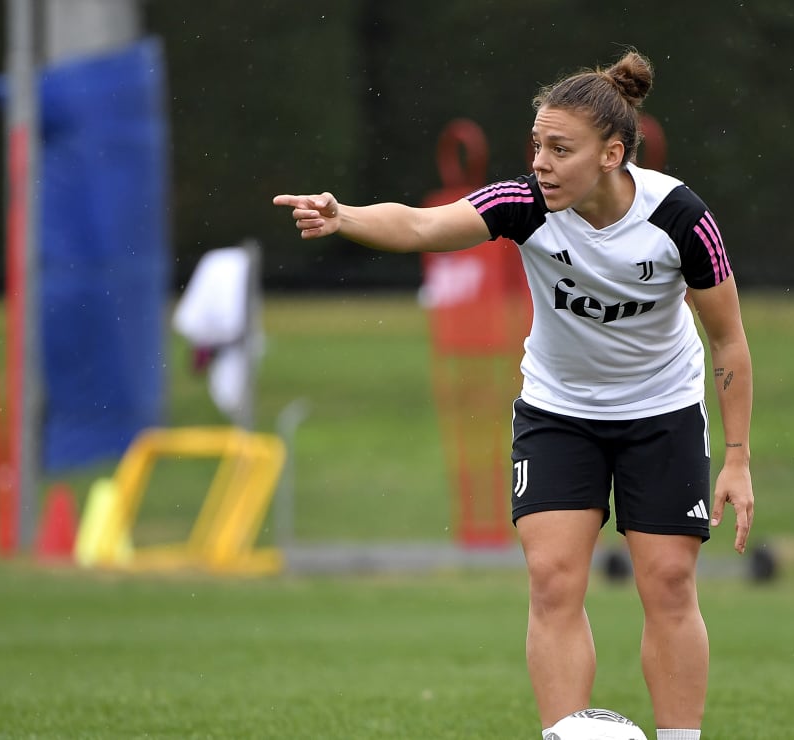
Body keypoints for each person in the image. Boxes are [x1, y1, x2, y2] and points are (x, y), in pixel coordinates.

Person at [274, 49, 753, 740]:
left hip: (661, 413)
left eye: (561, 149)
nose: (542, 163)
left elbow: (730, 341)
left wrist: (736, 455)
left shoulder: (680, 218)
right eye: (537, 146)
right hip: (559, 412)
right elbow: (419, 226)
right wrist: (341, 214)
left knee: (670, 583)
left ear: (613, 153)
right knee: (554, 580)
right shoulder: (523, 205)